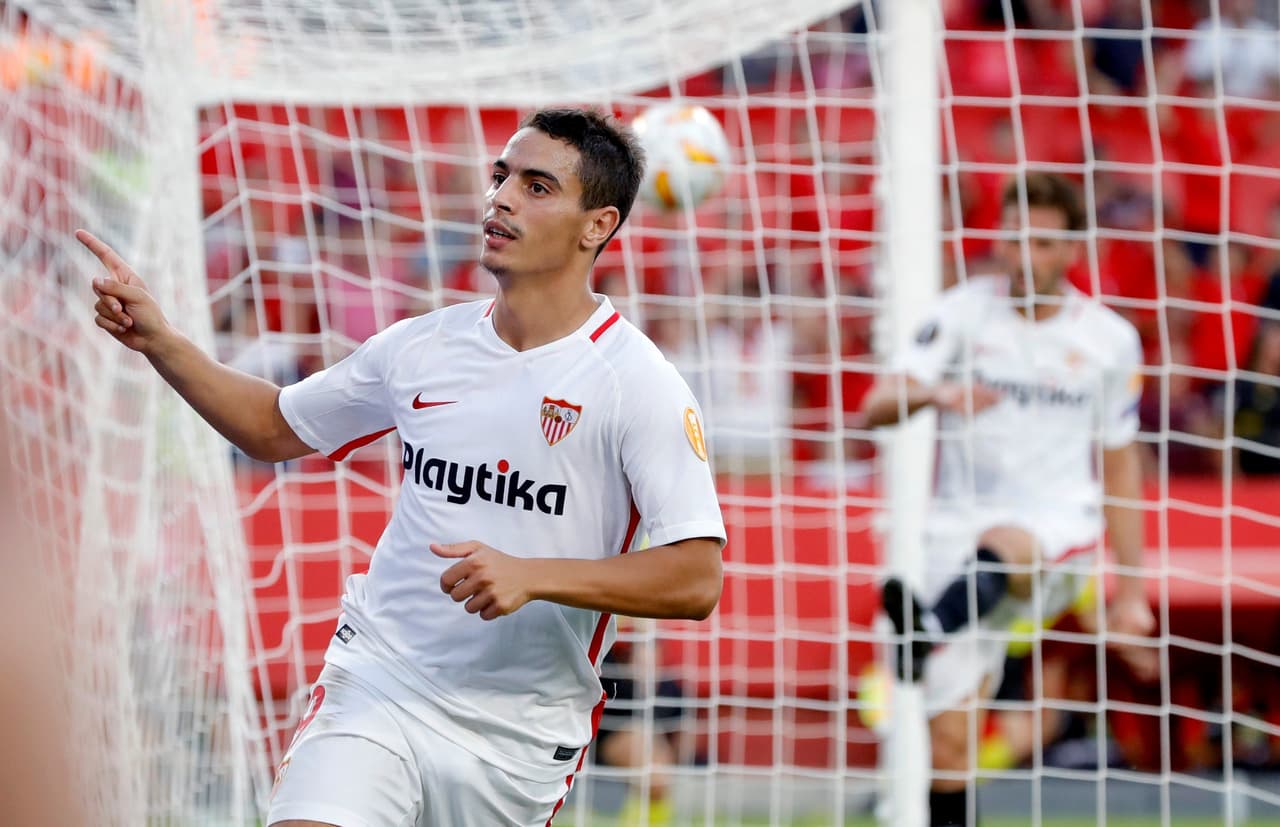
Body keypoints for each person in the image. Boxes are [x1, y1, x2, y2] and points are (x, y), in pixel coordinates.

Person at [81, 107, 726, 827]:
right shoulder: (421, 347)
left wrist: (534, 574)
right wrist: (161, 341)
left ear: (597, 226)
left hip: (516, 734)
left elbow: (696, 576)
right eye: (501, 176)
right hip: (381, 679)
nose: (502, 197)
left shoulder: (637, 383)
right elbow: (272, 425)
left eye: (537, 186)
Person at [861, 172, 1155, 827]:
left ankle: (928, 626)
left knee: (1012, 543)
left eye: (1044, 242)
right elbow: (875, 406)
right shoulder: (961, 311)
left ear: (1072, 248)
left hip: (1057, 529)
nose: (1026, 255)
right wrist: (936, 394)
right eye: (1015, 237)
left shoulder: (1107, 340)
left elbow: (1120, 466)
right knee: (950, 743)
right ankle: (933, 626)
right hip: (957, 537)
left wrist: (1131, 588)